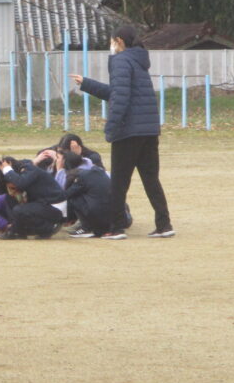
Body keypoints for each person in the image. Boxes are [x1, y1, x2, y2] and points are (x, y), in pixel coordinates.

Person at [70, 25, 175, 239]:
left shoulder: (120, 61)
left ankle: (115, 227)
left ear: (118, 41)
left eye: (112, 41)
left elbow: (120, 98)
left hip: (129, 130)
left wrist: (112, 127)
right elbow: (118, 92)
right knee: (151, 179)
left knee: (119, 181)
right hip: (148, 130)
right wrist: (87, 83)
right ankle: (164, 224)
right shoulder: (139, 61)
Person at [0, 156, 65, 239]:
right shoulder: (24, 171)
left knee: (19, 210)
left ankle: (48, 228)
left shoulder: (30, 169)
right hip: (45, 204)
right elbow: (0, 191)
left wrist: (7, 170)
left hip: (55, 205)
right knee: (10, 200)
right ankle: (17, 232)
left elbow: (21, 183)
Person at [61, 152, 112, 238]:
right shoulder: (99, 171)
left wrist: (59, 170)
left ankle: (86, 228)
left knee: (74, 198)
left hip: (99, 216)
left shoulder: (81, 176)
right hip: (114, 217)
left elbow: (67, 194)